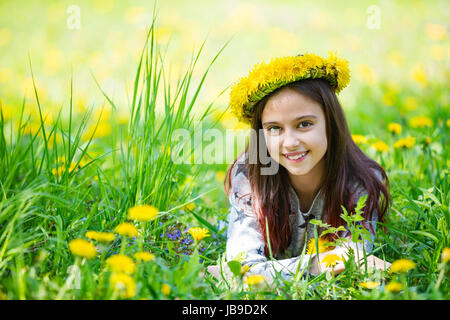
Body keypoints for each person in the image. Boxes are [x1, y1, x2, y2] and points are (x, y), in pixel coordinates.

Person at [222, 52, 391, 283]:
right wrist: (322, 264)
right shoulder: (250, 175)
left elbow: (352, 266)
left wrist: (263, 273)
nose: (290, 142)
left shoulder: (361, 181)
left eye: (304, 124)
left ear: (330, 123)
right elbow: (239, 272)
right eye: (274, 128)